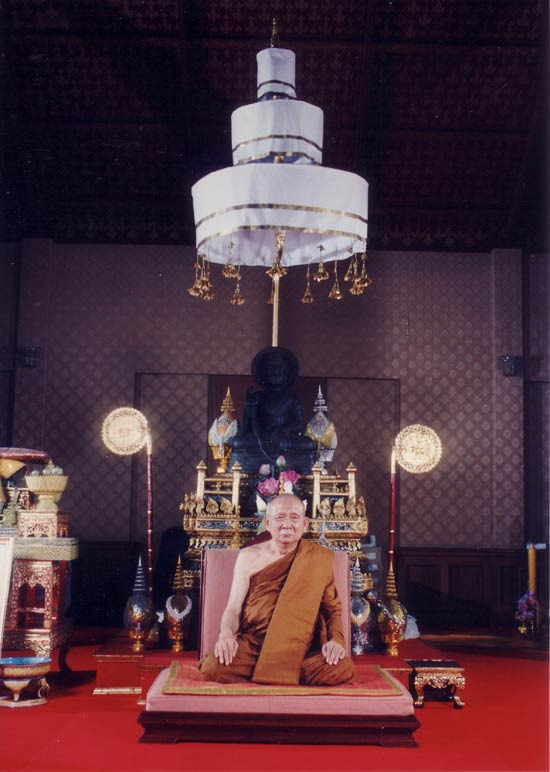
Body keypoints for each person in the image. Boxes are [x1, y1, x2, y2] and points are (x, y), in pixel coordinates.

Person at [199, 493, 355, 686]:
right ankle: (287, 674)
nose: (286, 525)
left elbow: (332, 610)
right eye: (280, 517)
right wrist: (226, 635)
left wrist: (336, 641)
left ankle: (270, 672)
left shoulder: (317, 559)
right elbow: (233, 609)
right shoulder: (249, 556)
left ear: (305, 524)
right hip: (254, 645)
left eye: (294, 518)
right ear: (268, 523)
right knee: (213, 666)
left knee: (342, 667)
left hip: (300, 648)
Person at [229, 346, 316, 474]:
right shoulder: (258, 396)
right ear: (265, 375)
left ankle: (279, 463)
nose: (276, 375)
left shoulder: (291, 399)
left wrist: (285, 430)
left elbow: (300, 424)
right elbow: (249, 426)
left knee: (308, 444)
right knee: (237, 442)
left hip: (283, 439)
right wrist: (250, 406)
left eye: (280, 372)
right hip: (261, 438)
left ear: (286, 374)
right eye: (272, 372)